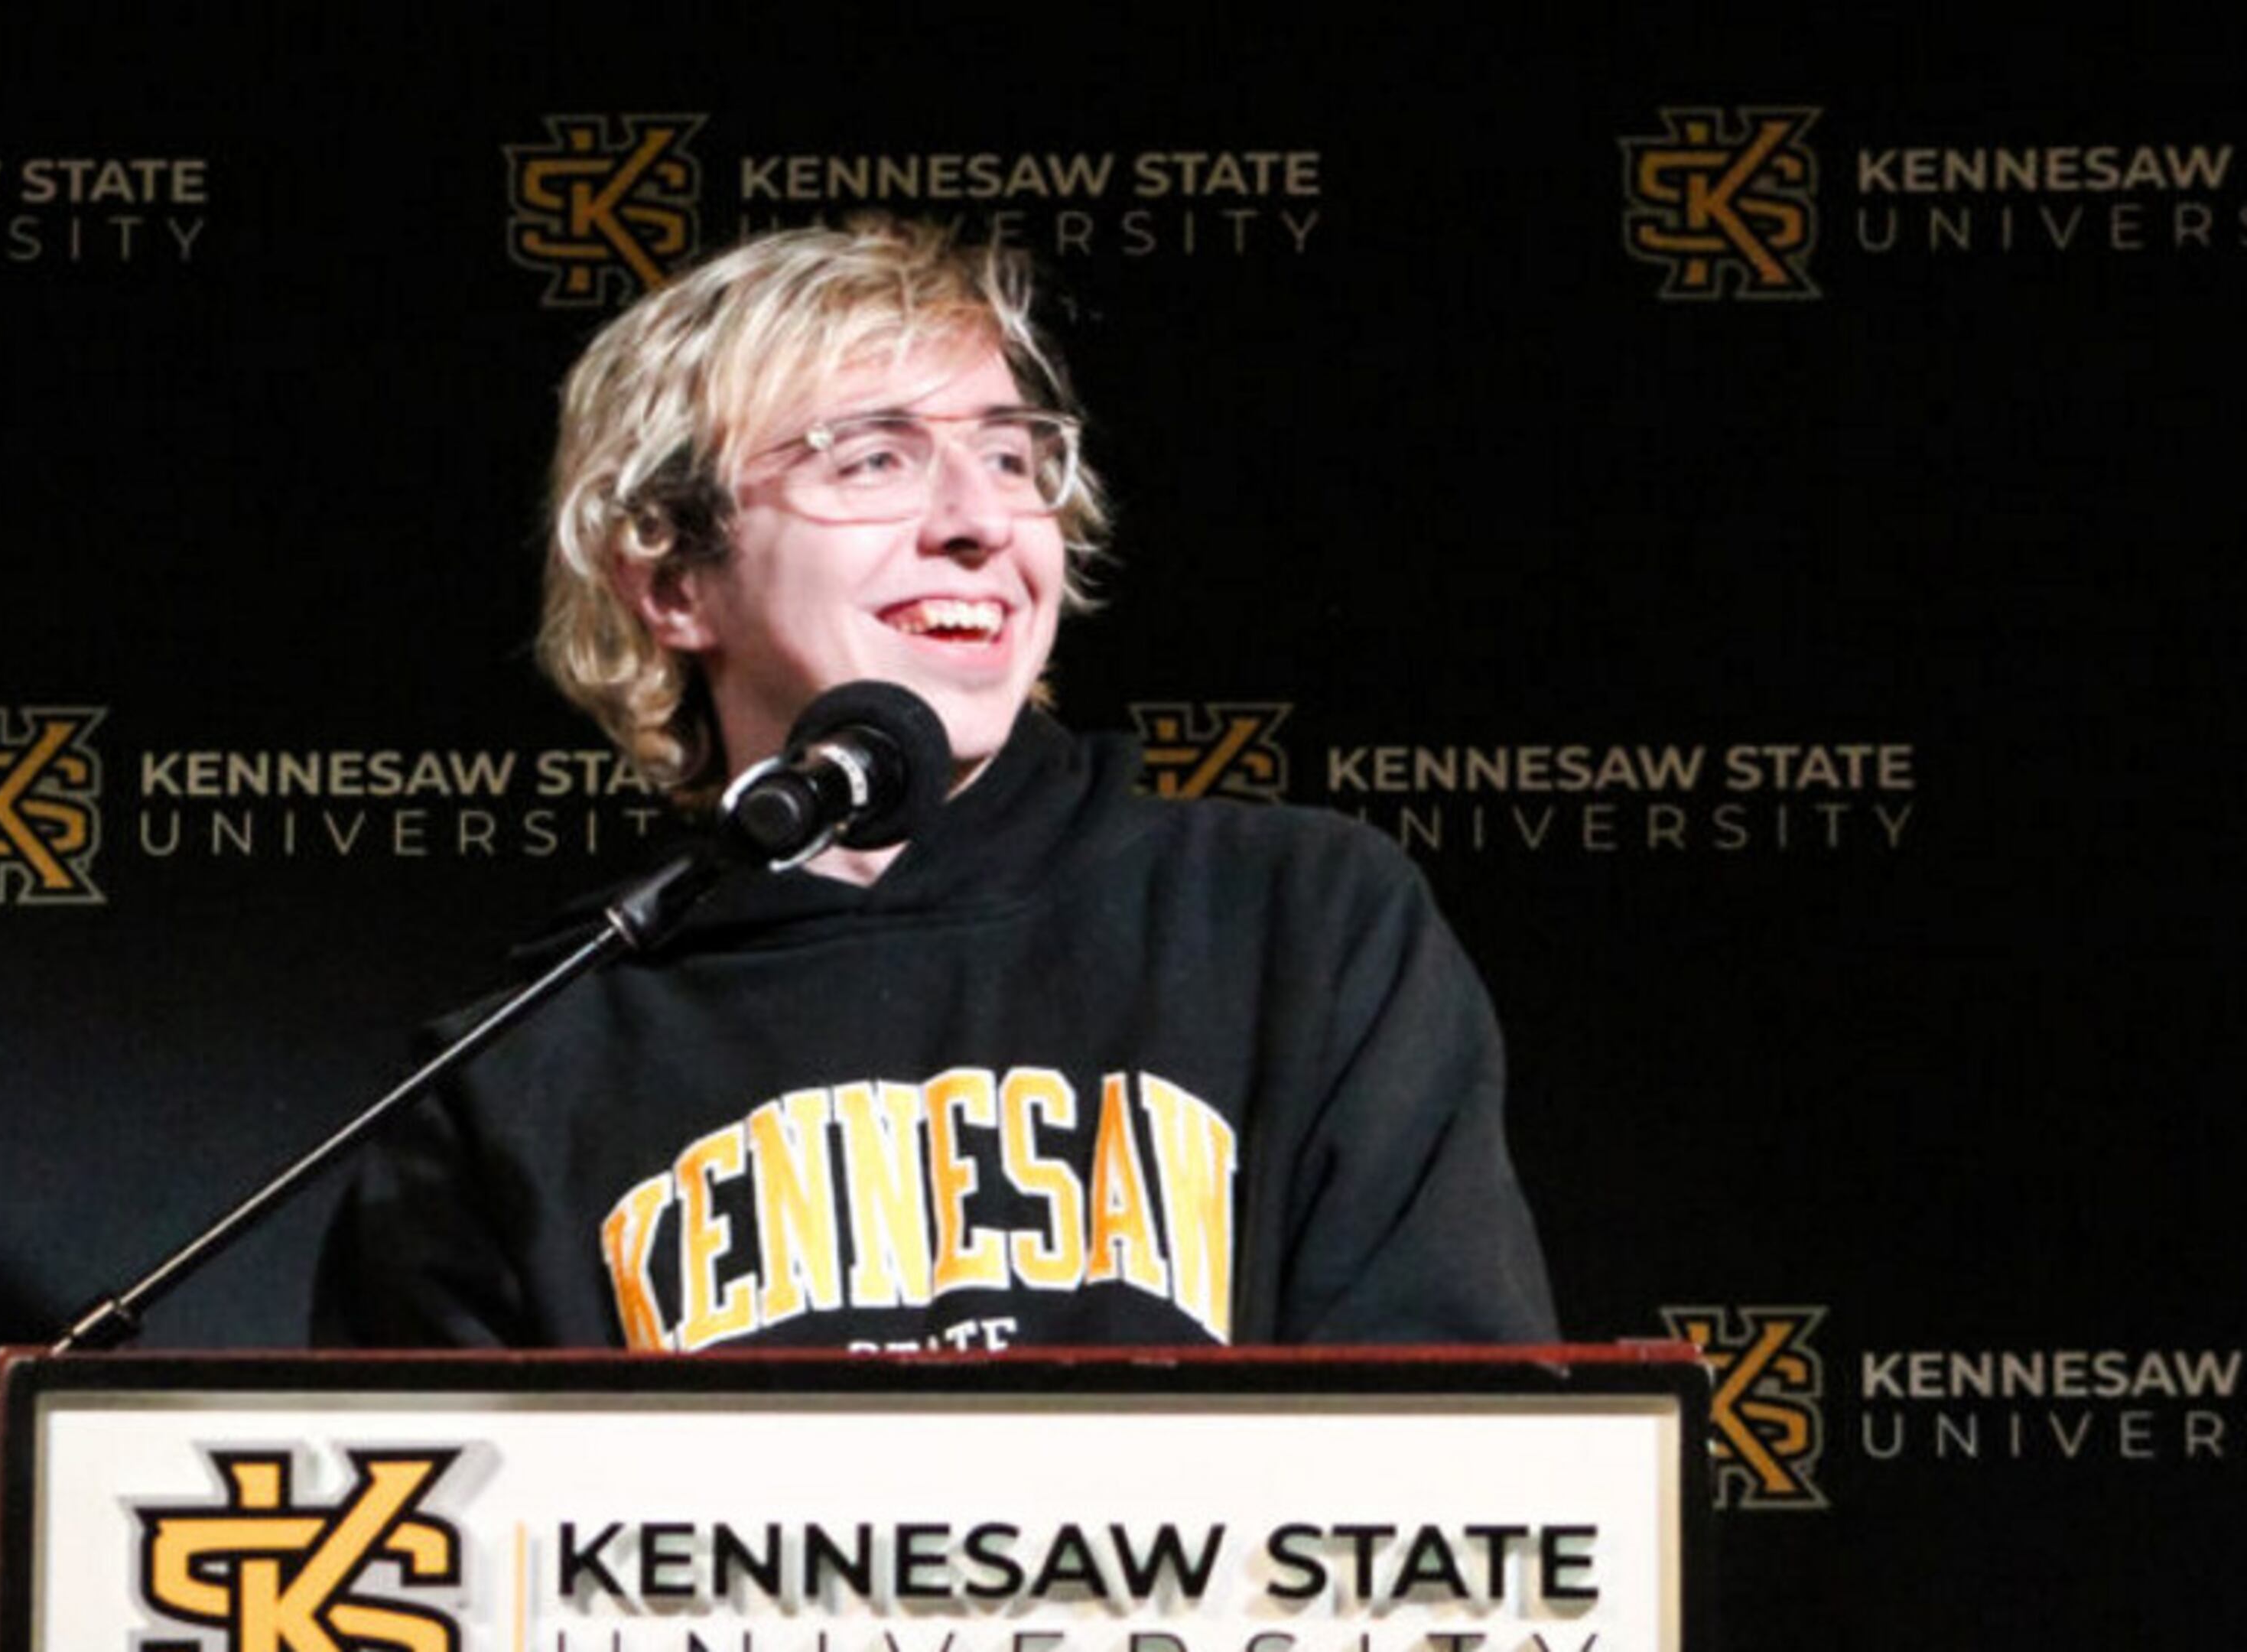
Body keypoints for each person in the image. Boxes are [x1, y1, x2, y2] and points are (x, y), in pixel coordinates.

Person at [315, 218, 1555, 1352]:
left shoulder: (1296, 923)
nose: (980, 521)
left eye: (1011, 457)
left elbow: (1458, 1463)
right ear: (674, 580)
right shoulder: (521, 1072)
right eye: (873, 461)